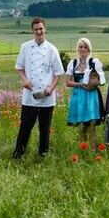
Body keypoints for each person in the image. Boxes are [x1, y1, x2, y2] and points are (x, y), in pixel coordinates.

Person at [13, 17, 65, 158]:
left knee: (45, 128)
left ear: (45, 29)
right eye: (36, 29)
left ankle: (43, 154)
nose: (39, 31)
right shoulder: (25, 47)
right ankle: (18, 154)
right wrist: (24, 80)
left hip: (47, 96)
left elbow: (57, 74)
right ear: (32, 31)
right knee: (25, 127)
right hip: (29, 95)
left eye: (41, 28)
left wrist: (51, 88)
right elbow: (19, 67)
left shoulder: (52, 49)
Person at [64, 37, 105, 147]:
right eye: (80, 47)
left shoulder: (94, 62)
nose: (83, 49)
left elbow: (102, 81)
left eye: (85, 47)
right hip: (79, 96)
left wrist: (95, 81)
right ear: (78, 49)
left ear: (89, 49)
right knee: (82, 125)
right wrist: (79, 84)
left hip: (92, 95)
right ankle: (83, 148)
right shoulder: (73, 63)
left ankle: (93, 149)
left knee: (92, 123)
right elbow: (67, 82)